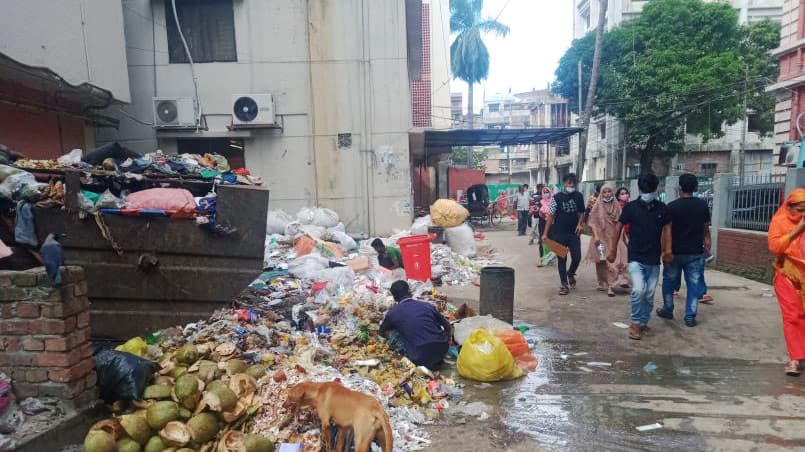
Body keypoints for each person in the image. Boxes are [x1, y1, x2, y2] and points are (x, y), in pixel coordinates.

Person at [608, 173, 671, 340]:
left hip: (654, 258)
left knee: (649, 294)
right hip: (635, 256)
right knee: (638, 290)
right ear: (640, 189)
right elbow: (619, 226)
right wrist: (613, 249)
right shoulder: (630, 208)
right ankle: (635, 324)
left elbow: (667, 230)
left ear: (655, 189)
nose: (648, 191)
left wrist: (667, 251)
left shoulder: (662, 208)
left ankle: (643, 322)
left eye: (650, 188)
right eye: (645, 189)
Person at [656, 174, 710, 327]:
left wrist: (664, 251)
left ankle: (668, 309)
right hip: (695, 252)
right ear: (695, 188)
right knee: (693, 284)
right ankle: (690, 316)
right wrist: (708, 242)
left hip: (674, 252)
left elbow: (666, 231)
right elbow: (706, 228)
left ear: (679, 187)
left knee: (669, 281)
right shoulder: (702, 205)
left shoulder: (671, 207)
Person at [767, 188, 805, 376]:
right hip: (787, 275)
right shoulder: (780, 221)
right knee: (792, 317)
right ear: (789, 207)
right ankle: (795, 359)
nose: (802, 214)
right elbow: (774, 247)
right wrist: (797, 231)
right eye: (799, 209)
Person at [380, 281, 451, 369]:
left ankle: (408, 358)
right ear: (409, 292)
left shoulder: (393, 313)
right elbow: (447, 326)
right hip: (442, 350)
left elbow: (381, 331)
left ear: (394, 297)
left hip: (419, 357)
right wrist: (447, 340)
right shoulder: (427, 305)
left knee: (393, 332)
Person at [543, 173, 585, 295]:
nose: (571, 185)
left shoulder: (579, 196)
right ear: (564, 183)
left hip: (574, 233)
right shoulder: (556, 198)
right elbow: (550, 216)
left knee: (577, 257)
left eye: (573, 183)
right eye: (568, 182)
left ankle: (571, 273)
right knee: (562, 259)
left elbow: (582, 212)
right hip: (559, 233)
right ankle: (564, 284)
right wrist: (545, 233)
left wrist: (580, 224)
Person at [586, 185, 628, 297]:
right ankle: (606, 284)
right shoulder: (598, 205)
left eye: (609, 191)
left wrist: (623, 237)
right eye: (605, 192)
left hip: (615, 237)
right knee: (603, 262)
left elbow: (621, 221)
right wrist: (596, 236)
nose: (607, 194)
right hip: (602, 238)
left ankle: (616, 284)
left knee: (619, 261)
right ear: (601, 193)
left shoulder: (616, 205)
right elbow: (592, 222)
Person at [530, 186, 553, 265]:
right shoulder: (540, 202)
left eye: (547, 192)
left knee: (551, 241)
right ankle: (542, 259)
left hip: (552, 224)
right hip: (542, 223)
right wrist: (537, 211)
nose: (546, 193)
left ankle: (550, 259)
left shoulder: (554, 201)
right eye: (545, 192)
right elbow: (535, 211)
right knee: (542, 240)